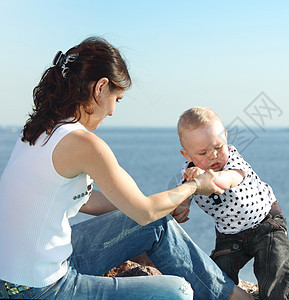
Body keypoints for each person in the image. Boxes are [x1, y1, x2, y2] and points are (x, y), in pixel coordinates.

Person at [0, 37, 254, 300]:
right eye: (117, 99)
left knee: (157, 225)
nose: (112, 112)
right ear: (100, 88)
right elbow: (144, 212)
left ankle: (230, 296)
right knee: (177, 293)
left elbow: (87, 201)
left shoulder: (39, 129)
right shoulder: (83, 143)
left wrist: (155, 207)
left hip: (20, 273)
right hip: (41, 289)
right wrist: (194, 186)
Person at [173, 107, 289, 300]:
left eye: (218, 147)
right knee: (218, 274)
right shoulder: (188, 174)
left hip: (266, 224)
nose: (213, 155)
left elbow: (228, 179)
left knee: (274, 267)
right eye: (202, 153)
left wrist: (202, 181)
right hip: (229, 235)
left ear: (226, 139)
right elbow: (180, 201)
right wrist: (181, 208)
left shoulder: (233, 160)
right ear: (187, 155)